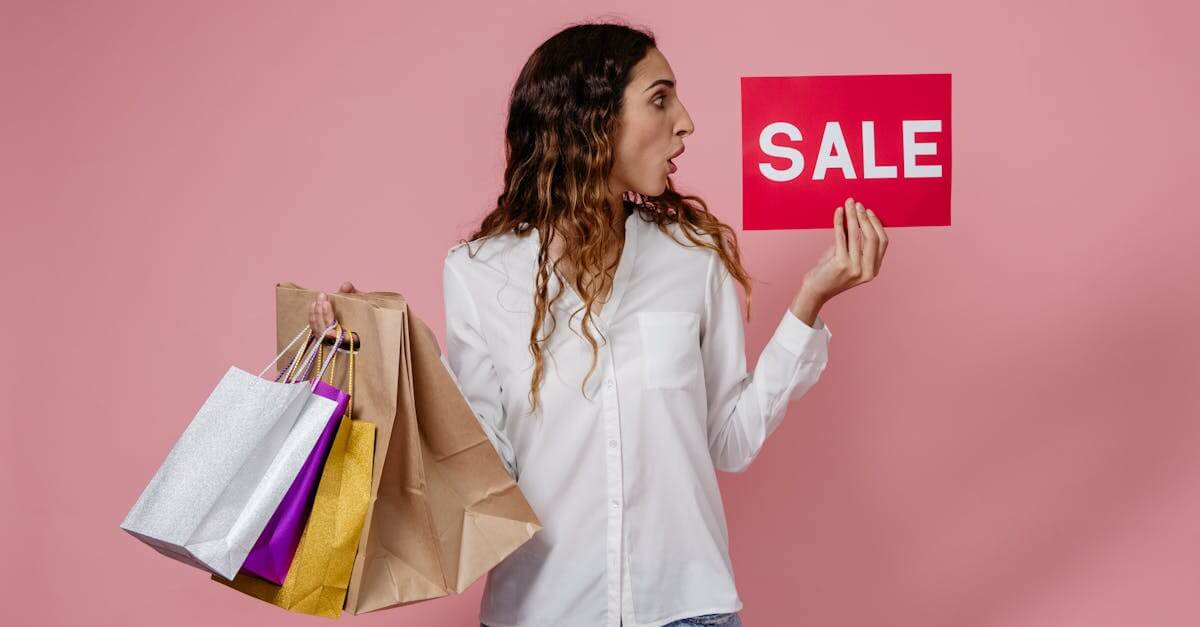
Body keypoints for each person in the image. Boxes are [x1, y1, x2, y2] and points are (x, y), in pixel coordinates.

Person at [307, 20, 887, 627]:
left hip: (687, 609)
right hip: (540, 611)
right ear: (591, 120)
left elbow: (731, 442)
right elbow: (484, 466)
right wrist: (388, 358)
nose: (685, 121)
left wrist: (809, 302)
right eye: (659, 99)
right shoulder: (479, 272)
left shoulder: (694, 258)